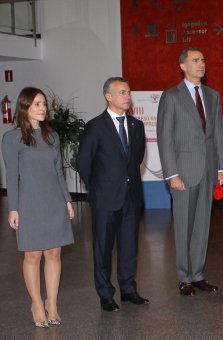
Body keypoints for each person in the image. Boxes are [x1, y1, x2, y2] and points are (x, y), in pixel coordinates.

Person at [157, 47, 223, 296]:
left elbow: (217, 133)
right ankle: (184, 276)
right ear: (183, 66)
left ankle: (197, 274)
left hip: (208, 171)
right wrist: (171, 174)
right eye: (195, 60)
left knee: (202, 226)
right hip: (183, 173)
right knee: (184, 226)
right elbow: (164, 138)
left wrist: (220, 168)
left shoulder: (213, 96)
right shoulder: (171, 96)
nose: (201, 64)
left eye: (203, 59)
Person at [2, 87, 74, 327]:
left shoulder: (52, 136)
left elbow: (58, 172)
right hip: (29, 202)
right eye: (36, 104)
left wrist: (67, 200)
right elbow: (11, 176)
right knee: (32, 255)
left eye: (43, 104)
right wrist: (13, 208)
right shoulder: (11, 139)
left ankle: (51, 303)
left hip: (54, 200)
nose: (43, 108)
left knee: (54, 253)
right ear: (24, 108)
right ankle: (36, 303)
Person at [77, 77, 148, 311]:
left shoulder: (137, 125)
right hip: (105, 198)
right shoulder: (95, 126)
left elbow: (136, 160)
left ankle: (128, 289)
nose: (127, 96)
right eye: (122, 92)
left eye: (128, 92)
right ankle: (105, 293)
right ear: (108, 96)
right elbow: (84, 162)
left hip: (131, 196)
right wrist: (97, 188)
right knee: (103, 248)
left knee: (129, 246)